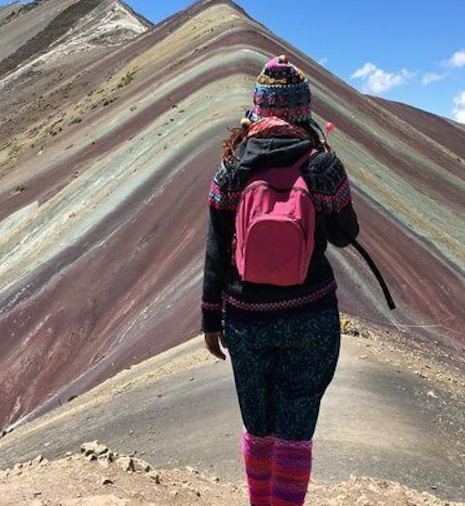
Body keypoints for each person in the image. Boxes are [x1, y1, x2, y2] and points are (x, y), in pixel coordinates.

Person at [201, 54, 359, 506]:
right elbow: (347, 237)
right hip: (312, 317)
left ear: (258, 107)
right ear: (302, 109)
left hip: (246, 320)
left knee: (259, 426)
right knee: (295, 431)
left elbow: (215, 251)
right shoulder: (321, 166)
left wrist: (211, 321)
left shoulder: (231, 170)